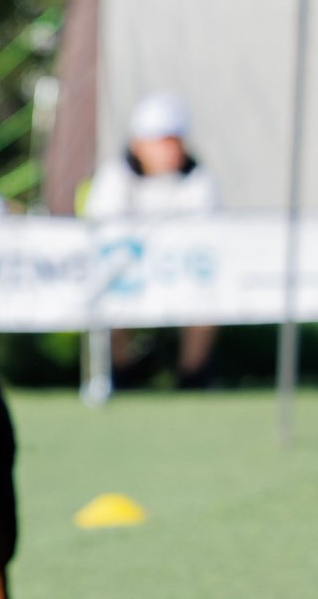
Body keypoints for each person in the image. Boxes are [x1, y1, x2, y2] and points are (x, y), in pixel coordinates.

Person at [84, 90, 219, 387]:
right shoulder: (115, 176)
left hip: (183, 273)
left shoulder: (198, 177)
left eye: (174, 141)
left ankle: (192, 377)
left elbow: (205, 236)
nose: (169, 151)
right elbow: (105, 234)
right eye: (161, 142)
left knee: (207, 302)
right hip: (127, 273)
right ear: (139, 143)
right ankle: (122, 373)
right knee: (110, 300)